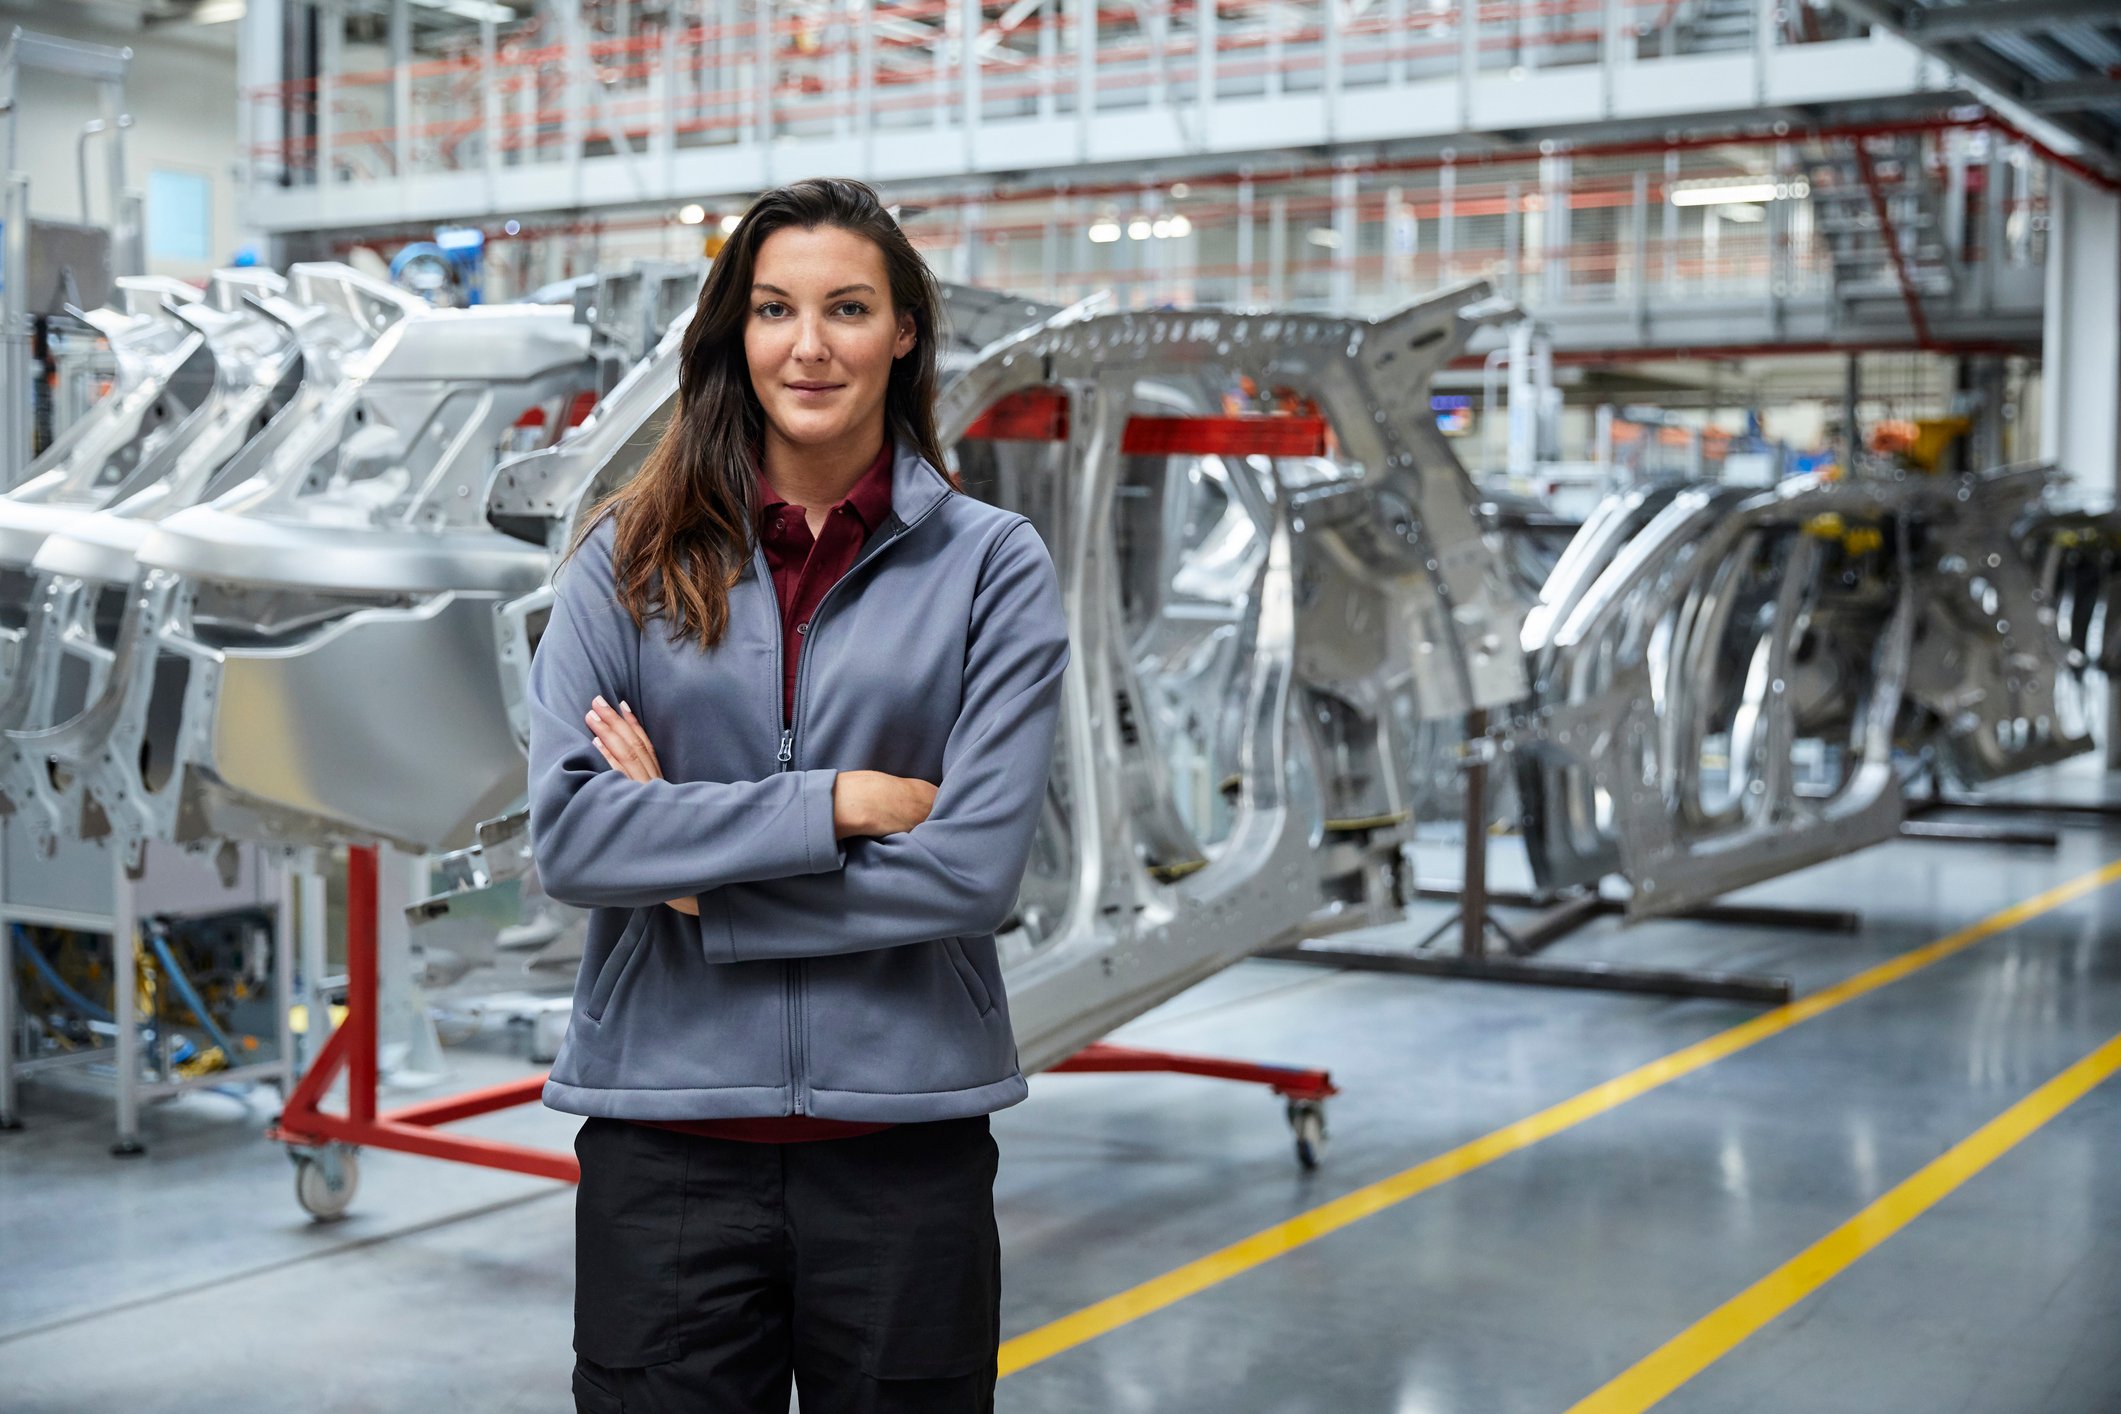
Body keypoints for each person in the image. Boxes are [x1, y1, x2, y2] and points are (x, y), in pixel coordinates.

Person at [524, 176, 1071, 1413]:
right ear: (735, 332)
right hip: (663, 1147)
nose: (809, 345)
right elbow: (571, 832)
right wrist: (843, 805)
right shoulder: (628, 554)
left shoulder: (994, 567)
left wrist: (699, 889)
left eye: (848, 308)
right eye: (775, 309)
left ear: (904, 332)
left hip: (905, 1150)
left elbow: (971, 869)